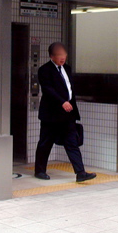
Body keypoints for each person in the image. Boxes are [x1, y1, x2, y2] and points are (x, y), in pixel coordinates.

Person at [35, 42, 97, 183]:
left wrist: (72, 108)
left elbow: (70, 90)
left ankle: (80, 173)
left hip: (67, 114)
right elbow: (48, 89)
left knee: (72, 142)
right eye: (59, 55)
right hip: (51, 114)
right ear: (51, 56)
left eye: (64, 55)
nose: (62, 58)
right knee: (46, 142)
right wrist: (62, 102)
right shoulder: (44, 70)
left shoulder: (67, 68)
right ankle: (39, 170)